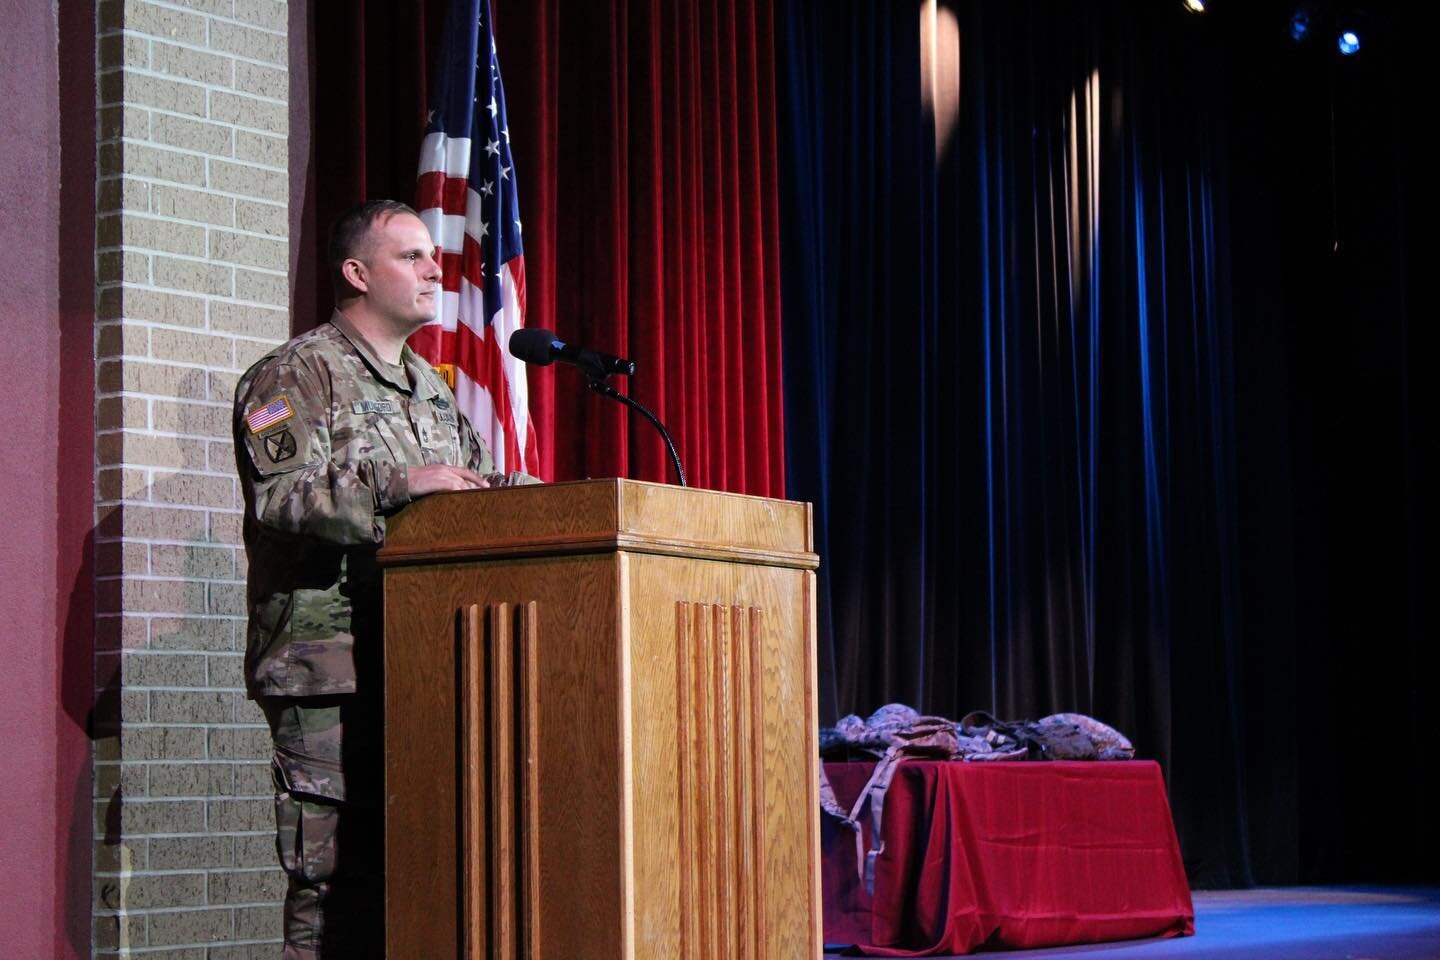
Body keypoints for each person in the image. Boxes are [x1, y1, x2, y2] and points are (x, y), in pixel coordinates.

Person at [233, 199, 536, 958]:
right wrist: (401, 483)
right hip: (329, 667)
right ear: (356, 273)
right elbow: (282, 494)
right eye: (412, 257)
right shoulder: (290, 374)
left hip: (428, 664)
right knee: (335, 886)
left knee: (423, 870)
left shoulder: (433, 389)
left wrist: (528, 499)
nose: (437, 269)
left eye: (433, 256)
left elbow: (459, 489)